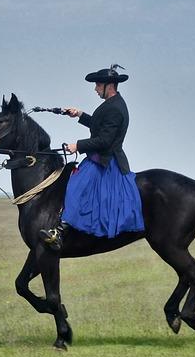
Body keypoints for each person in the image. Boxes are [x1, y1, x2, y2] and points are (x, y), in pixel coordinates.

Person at [39, 64, 145, 251]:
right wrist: (79, 114)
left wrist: (76, 146)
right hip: (98, 157)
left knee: (75, 187)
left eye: (97, 85)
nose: (95, 89)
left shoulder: (115, 108)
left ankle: (61, 232)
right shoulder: (112, 105)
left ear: (109, 85)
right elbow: (98, 126)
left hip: (106, 161)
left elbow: (104, 140)